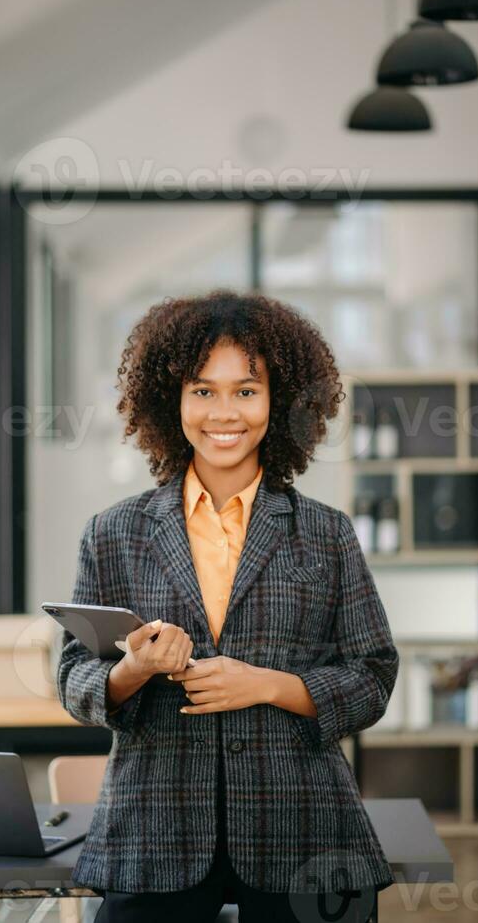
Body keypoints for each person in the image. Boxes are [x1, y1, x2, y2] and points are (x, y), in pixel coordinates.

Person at [57, 289, 400, 922]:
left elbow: (373, 677)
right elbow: (74, 677)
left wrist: (268, 685)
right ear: (173, 401)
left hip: (301, 830)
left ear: (281, 401)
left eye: (246, 390)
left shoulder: (326, 532)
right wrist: (132, 669)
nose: (224, 412)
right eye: (202, 390)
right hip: (155, 832)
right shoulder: (113, 532)